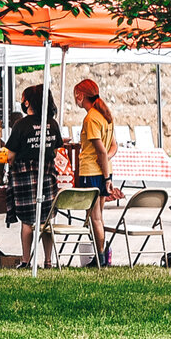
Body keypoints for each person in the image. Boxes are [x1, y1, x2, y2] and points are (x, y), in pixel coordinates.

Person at [4, 84, 61, 269]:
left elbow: (10, 155)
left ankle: (26, 261)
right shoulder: (52, 123)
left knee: (28, 222)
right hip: (47, 178)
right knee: (46, 222)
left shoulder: (21, 125)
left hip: (25, 179)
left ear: (28, 102)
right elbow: (57, 148)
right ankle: (48, 261)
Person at [72, 78, 116, 266]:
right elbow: (112, 148)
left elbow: (101, 150)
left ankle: (100, 258)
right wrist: (106, 166)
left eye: (75, 95)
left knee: (94, 218)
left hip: (91, 172)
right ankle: (102, 255)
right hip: (103, 172)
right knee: (98, 217)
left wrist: (105, 174)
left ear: (80, 95)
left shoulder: (91, 118)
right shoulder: (106, 116)